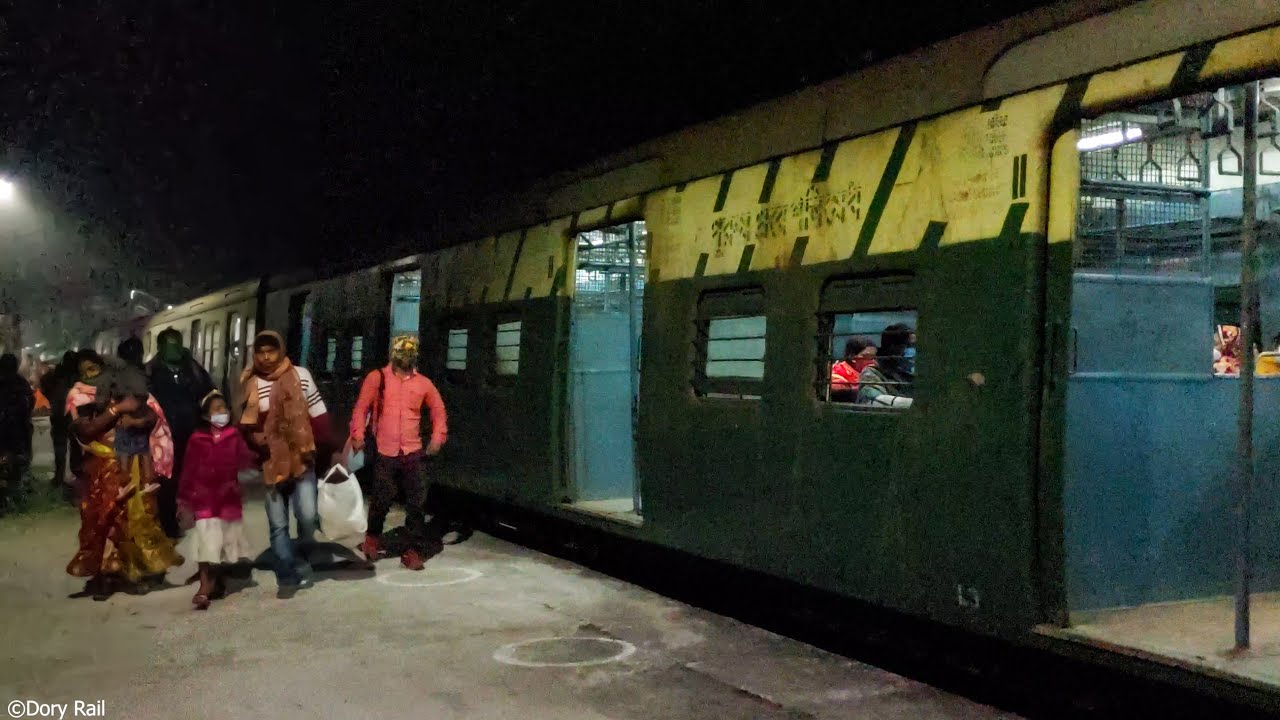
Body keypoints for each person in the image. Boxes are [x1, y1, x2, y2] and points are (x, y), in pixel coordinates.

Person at [66, 350, 182, 600]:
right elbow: (86, 431)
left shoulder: (126, 387)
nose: (90, 375)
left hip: (133, 465)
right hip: (100, 467)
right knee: (103, 520)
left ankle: (133, 572)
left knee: (136, 520)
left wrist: (135, 420)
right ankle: (104, 576)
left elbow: (152, 415)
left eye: (94, 369)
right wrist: (116, 410)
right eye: (84, 371)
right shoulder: (79, 396)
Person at [239, 330, 333, 598]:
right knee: (278, 523)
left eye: (271, 350)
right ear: (255, 354)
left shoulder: (301, 376)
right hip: (271, 461)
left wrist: (330, 449)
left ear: (280, 350)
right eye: (261, 352)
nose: (266, 357)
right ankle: (286, 573)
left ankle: (303, 553)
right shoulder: (251, 383)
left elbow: (318, 413)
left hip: (303, 458)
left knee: (306, 513)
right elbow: (245, 424)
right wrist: (255, 441)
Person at [348, 335, 448, 570]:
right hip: (386, 450)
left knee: (417, 503)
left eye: (410, 354)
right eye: (402, 353)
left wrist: (437, 437)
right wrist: (358, 435)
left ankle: (413, 550)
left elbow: (439, 411)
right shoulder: (378, 378)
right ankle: (372, 538)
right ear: (394, 355)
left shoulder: (424, 384)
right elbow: (361, 408)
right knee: (382, 499)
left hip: (412, 452)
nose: (406, 358)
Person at [178, 391, 253, 610]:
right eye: (216, 409)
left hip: (228, 499)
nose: (222, 413)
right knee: (204, 543)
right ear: (205, 416)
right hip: (204, 498)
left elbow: (245, 460)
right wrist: (184, 498)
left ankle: (217, 579)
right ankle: (204, 585)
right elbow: (188, 470)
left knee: (223, 543)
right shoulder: (197, 440)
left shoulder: (234, 436)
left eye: (224, 408)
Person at [145, 328, 215, 538]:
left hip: (193, 432)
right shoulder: (151, 371)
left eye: (176, 343)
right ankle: (168, 524)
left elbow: (209, 392)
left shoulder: (193, 368)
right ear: (160, 347)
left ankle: (195, 517)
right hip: (163, 436)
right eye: (168, 344)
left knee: (194, 477)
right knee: (167, 480)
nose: (173, 348)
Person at [41, 351, 82, 491]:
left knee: (60, 446)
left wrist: (52, 398)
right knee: (75, 445)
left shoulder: (54, 375)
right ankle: (75, 476)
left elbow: (44, 384)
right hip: (73, 414)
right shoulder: (78, 376)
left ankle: (59, 477)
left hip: (59, 413)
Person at [0, 353, 35, 511]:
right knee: (17, 464)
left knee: (7, 464)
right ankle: (13, 497)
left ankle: (7, 499)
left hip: (7, 431)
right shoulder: (21, 384)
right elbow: (29, 404)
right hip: (19, 432)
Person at [858, 324, 915, 408]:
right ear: (893, 347)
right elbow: (874, 399)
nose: (913, 350)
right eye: (908, 346)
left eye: (915, 346)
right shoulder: (872, 372)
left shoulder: (912, 373)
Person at [829, 337, 876, 402]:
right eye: (867, 356)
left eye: (874, 357)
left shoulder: (872, 373)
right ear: (852, 357)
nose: (873, 361)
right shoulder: (837, 373)